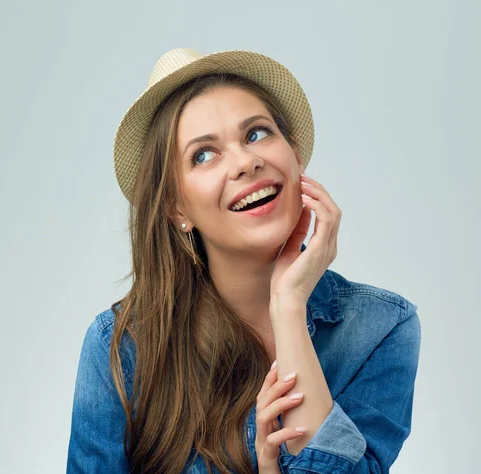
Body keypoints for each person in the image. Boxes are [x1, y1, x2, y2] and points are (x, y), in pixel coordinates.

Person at [65, 48, 422, 474]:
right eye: (203, 154)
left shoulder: (381, 328)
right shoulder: (122, 349)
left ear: (296, 157)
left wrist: (288, 308)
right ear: (176, 208)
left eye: (256, 134)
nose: (245, 162)